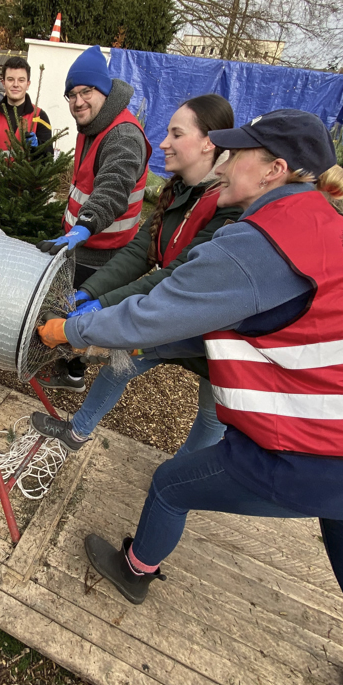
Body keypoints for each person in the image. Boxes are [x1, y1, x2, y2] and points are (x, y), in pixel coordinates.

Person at [36, 109, 343, 685]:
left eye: (238, 154)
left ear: (275, 170)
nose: (224, 163)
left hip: (318, 452)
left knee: (172, 485)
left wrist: (69, 332)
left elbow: (154, 311)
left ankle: (134, 570)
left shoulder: (261, 241)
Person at [31, 94, 240, 447]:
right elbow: (139, 253)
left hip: (220, 329)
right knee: (121, 361)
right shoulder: (179, 192)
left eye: (176, 134)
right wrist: (88, 292)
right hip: (179, 316)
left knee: (213, 410)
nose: (163, 142)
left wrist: (98, 309)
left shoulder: (228, 208)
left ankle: (182, 478)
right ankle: (77, 432)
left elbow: (173, 279)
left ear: (208, 143)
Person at [34, 44, 152, 391]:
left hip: (102, 251)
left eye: (86, 91)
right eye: (71, 94)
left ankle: (72, 373)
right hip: (81, 243)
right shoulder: (93, 126)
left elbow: (112, 189)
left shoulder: (123, 135)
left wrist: (83, 228)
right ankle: (67, 364)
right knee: (70, 305)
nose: (78, 101)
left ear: (104, 90)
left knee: (80, 312)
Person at [0, 56, 53, 189]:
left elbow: (48, 161)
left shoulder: (40, 117)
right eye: (10, 79)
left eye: (21, 80)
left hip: (28, 198)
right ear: (3, 83)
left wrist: (37, 149)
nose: (15, 84)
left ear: (28, 84)